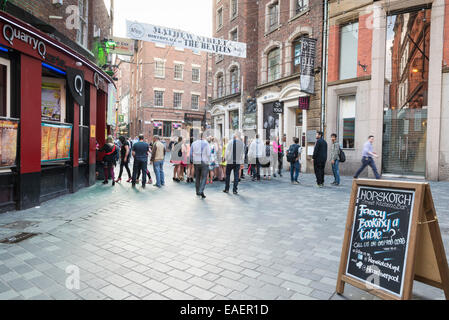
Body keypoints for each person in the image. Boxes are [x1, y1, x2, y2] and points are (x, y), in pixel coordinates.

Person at [190, 133, 210, 199]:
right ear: (203, 137)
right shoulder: (206, 143)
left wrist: (192, 160)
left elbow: (191, 153)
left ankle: (197, 191)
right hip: (204, 162)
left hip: (196, 161)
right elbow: (209, 153)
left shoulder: (194, 143)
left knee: (197, 177)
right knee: (204, 177)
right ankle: (201, 190)